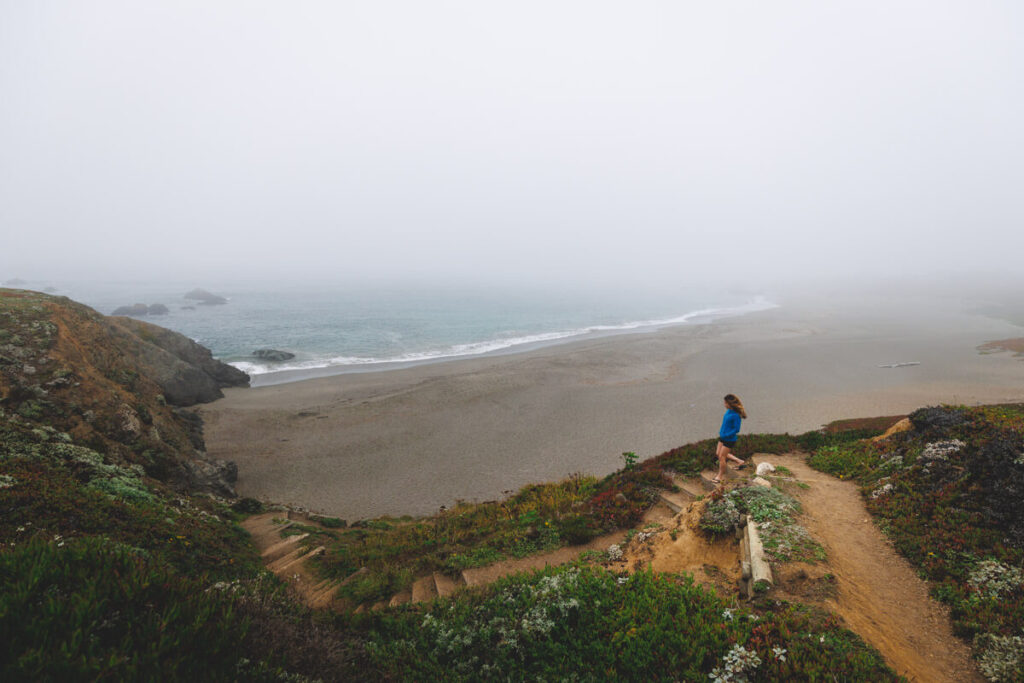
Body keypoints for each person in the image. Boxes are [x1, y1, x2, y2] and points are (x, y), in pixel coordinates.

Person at [712, 394, 747, 484]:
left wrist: (727, 435)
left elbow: (736, 429)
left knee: (721, 457)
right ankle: (739, 461)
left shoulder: (736, 415)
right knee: (718, 453)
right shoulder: (728, 411)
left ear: (730, 404)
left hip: (729, 439)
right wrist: (721, 433)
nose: (724, 404)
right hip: (722, 437)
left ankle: (719, 476)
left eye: (725, 403)